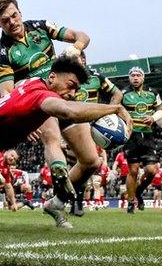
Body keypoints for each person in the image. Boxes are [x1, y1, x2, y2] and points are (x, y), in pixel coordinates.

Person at [0, 55, 133, 228]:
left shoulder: (33, 83)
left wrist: (24, 121)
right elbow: (68, 111)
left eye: (76, 89)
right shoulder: (42, 96)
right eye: (71, 86)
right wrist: (114, 109)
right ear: (52, 77)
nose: (72, 93)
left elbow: (18, 91)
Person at [0, 0, 107, 227]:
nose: (12, 22)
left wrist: (76, 48)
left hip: (65, 96)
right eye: (5, 20)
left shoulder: (41, 28)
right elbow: (7, 93)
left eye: (14, 15)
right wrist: (24, 122)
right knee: (51, 137)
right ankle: (59, 170)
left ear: (20, 12)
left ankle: (56, 202)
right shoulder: (2, 53)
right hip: (39, 100)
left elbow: (82, 35)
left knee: (92, 161)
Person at [70, 50, 122, 216]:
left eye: (75, 58)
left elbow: (117, 93)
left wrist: (109, 112)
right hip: (69, 126)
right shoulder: (64, 78)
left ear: (83, 59)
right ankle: (68, 200)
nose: (72, 61)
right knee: (73, 164)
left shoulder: (96, 77)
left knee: (85, 164)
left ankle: (75, 203)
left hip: (90, 127)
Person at [112, 66, 162, 214]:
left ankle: (139, 192)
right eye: (132, 75)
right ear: (129, 78)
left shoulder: (152, 93)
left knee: (151, 171)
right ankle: (130, 202)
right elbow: (114, 108)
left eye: (138, 75)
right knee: (133, 170)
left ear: (143, 78)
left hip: (148, 135)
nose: (135, 78)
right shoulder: (123, 93)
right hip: (131, 136)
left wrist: (153, 118)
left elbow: (161, 109)